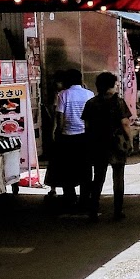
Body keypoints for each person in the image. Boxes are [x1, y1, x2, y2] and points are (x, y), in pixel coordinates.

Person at [81, 71, 133, 221]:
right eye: (115, 84)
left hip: (98, 143)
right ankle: (118, 210)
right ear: (111, 86)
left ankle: (93, 209)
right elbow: (125, 123)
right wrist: (129, 140)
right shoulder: (118, 102)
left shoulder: (91, 103)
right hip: (116, 143)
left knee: (98, 177)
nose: (117, 86)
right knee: (118, 177)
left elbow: (87, 125)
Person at [54, 68, 94, 207]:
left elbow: (60, 117)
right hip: (85, 136)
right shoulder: (89, 94)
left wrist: (58, 133)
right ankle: (85, 198)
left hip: (68, 137)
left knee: (68, 168)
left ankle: (70, 197)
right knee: (85, 168)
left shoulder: (63, 95)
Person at [44, 70, 67, 197]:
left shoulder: (60, 95)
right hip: (67, 131)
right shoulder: (62, 94)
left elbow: (56, 117)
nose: (55, 84)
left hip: (60, 132)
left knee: (55, 162)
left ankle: (54, 189)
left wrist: (54, 131)